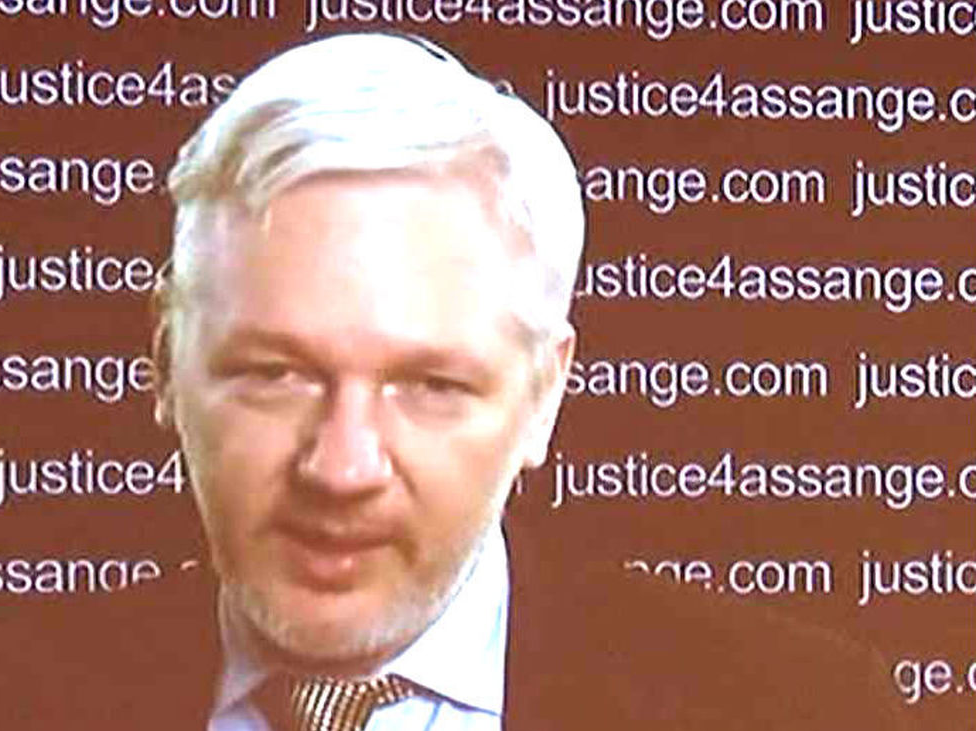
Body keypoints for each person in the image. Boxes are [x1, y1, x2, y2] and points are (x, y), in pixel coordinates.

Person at [90, 33, 911, 731]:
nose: (342, 468)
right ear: (165, 361)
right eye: (276, 374)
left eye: (430, 385)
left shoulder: (807, 710)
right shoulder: (8, 690)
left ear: (543, 396)